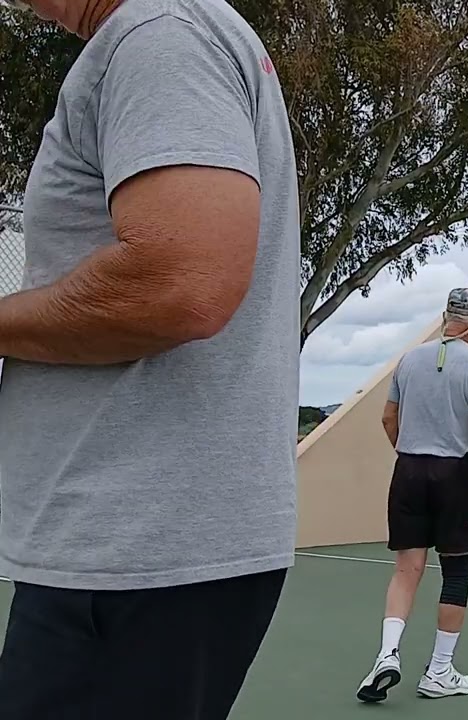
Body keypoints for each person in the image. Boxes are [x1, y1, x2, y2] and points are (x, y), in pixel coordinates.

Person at [0, 1, 299, 718]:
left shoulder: (159, 35)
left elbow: (182, 284)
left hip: (133, 547)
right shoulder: (171, 32)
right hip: (139, 549)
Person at [357, 288, 468, 703]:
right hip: (457, 474)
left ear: (445, 318)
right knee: (457, 572)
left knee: (407, 569)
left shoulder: (410, 359)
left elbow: (389, 418)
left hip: (409, 469)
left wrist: (411, 458)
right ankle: (439, 672)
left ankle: (387, 655)